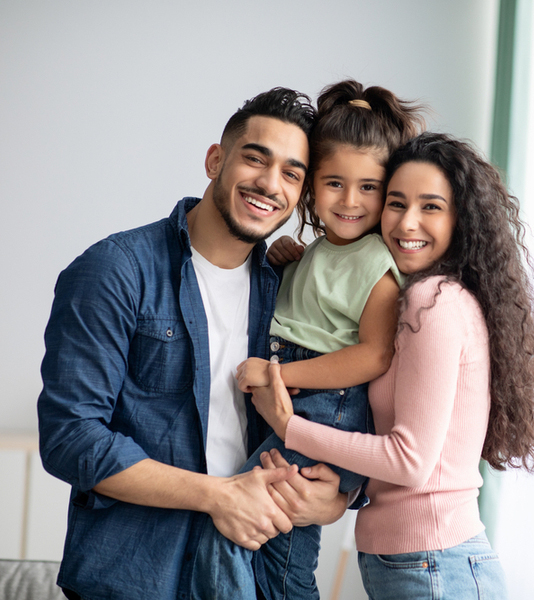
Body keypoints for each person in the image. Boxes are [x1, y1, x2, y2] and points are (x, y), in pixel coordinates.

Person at [37, 87, 349, 600]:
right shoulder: (116, 270)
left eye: (292, 174)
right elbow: (71, 437)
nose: (270, 184)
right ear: (215, 160)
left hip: (254, 575)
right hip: (136, 578)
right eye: (256, 158)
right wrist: (218, 497)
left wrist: (339, 497)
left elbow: (340, 405)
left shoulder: (289, 289)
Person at [252, 132, 534, 600]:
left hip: (435, 565)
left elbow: (410, 462)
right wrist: (343, 494)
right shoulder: (413, 298)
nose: (407, 222)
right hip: (419, 562)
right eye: (396, 203)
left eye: (431, 206)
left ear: (462, 219)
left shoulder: (433, 303)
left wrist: (289, 426)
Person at [193, 79, 425, 600]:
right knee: (277, 556)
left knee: (238, 535)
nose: (350, 201)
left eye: (369, 188)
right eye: (334, 183)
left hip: (324, 407)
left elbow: (374, 354)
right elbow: (318, 310)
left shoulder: (376, 265)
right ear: (312, 188)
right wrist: (290, 264)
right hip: (306, 402)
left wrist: (278, 376)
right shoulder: (317, 251)